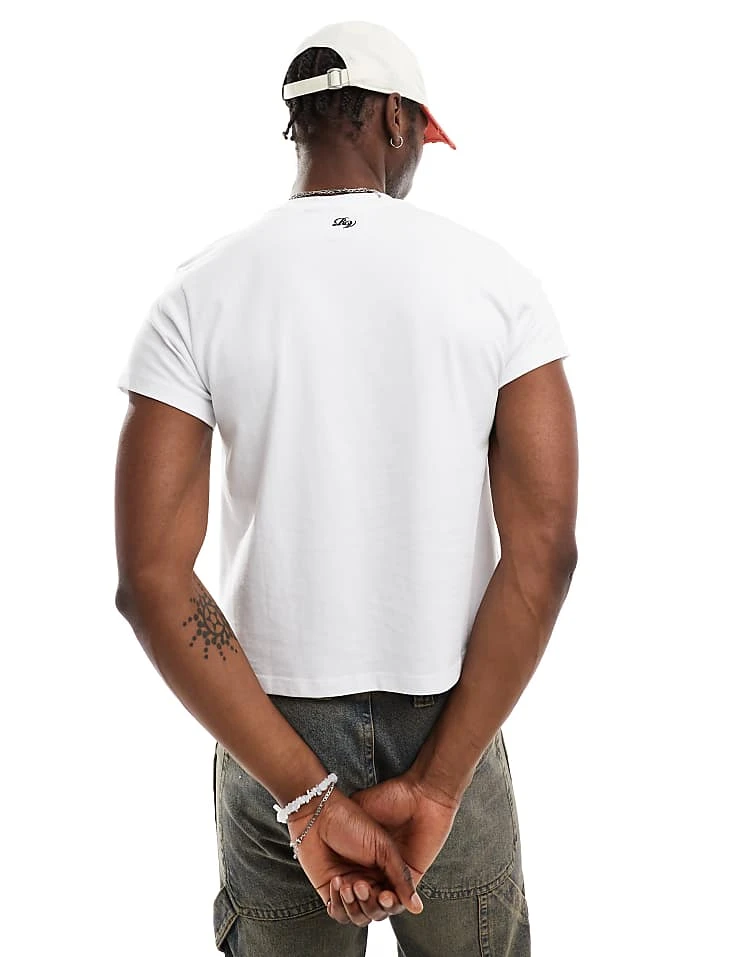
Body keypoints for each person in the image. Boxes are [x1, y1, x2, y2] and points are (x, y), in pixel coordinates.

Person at [114, 19, 578, 957]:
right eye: (422, 139)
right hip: (454, 714)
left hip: (267, 723)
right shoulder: (499, 285)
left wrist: (304, 793)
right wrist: (440, 782)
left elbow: (151, 581)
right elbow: (544, 553)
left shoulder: (197, 294)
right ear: (394, 120)